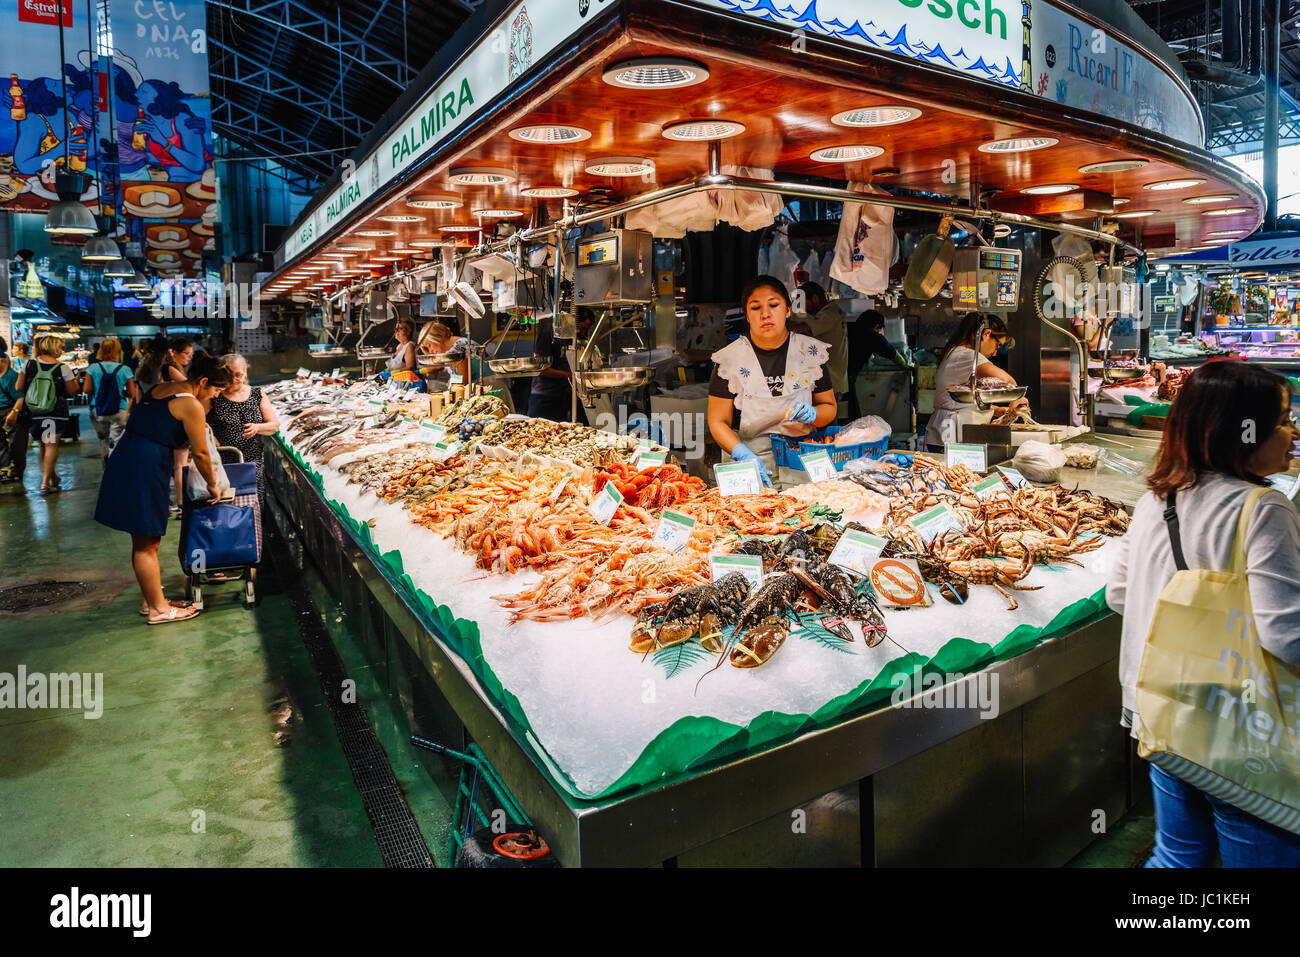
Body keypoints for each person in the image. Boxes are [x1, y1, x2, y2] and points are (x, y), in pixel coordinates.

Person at [1106, 361, 1300, 867]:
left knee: (1177, 858)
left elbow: (1119, 594)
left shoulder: (1158, 495)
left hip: (1164, 711)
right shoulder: (1264, 508)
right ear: (1244, 430)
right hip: (1240, 724)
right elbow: (1287, 636)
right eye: (1281, 419)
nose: (1292, 431)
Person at [94, 352, 231, 625]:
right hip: (145, 466)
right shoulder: (189, 403)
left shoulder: (160, 389)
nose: (215, 396)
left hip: (129, 457)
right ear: (202, 381)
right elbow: (201, 453)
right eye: (215, 389)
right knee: (147, 542)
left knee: (144, 538)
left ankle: (152, 598)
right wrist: (214, 485)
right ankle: (158, 609)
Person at [707, 275, 837, 488]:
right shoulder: (729, 360)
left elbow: (829, 407)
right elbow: (717, 421)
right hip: (748, 462)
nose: (765, 314)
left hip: (801, 459)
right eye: (755, 308)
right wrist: (741, 453)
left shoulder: (811, 353)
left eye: (774, 305)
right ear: (747, 316)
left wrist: (814, 415)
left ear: (787, 310)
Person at [924, 313, 1026, 451]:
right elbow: (1007, 381)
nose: (995, 353)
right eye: (997, 345)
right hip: (951, 437)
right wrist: (1017, 399)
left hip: (946, 434)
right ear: (986, 334)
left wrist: (997, 410)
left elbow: (962, 402)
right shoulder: (966, 355)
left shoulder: (956, 353)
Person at [4, 334, 77, 493]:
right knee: (51, 444)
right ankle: (45, 483)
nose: (61, 350)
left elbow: (18, 388)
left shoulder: (28, 365)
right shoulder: (62, 368)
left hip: (34, 411)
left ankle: (53, 477)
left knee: (44, 443)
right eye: (60, 347)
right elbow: (72, 392)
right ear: (52, 348)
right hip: (54, 412)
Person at [207, 353, 278, 493]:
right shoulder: (214, 394)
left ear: (245, 372)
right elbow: (198, 422)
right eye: (229, 375)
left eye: (238, 374)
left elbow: (274, 426)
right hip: (221, 463)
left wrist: (257, 427)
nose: (234, 379)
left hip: (252, 463)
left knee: (253, 503)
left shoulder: (257, 394)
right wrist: (211, 438)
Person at [846, 309, 911, 421]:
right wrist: (906, 366)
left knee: (845, 407)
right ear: (876, 326)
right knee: (851, 411)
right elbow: (893, 354)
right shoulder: (872, 335)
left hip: (836, 372)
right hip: (848, 376)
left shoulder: (849, 327)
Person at [81, 337, 137, 458]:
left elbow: (86, 390)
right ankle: (114, 464)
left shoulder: (92, 368)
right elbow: (132, 393)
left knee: (103, 440)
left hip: (98, 410)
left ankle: (105, 461)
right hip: (119, 409)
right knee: (116, 441)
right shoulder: (125, 369)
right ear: (117, 351)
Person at [0, 353, 28, 483]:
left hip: (11, 411)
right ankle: (5, 470)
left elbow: (21, 397)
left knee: (16, 444)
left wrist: (14, 412)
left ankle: (16, 472)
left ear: (2, 361)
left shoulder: (12, 377)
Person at [387, 319, 421, 390]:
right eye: (396, 329)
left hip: (406, 384)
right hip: (396, 382)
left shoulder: (410, 346)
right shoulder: (399, 346)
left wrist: (393, 373)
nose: (397, 331)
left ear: (409, 331)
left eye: (400, 328)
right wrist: (387, 371)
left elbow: (410, 367)